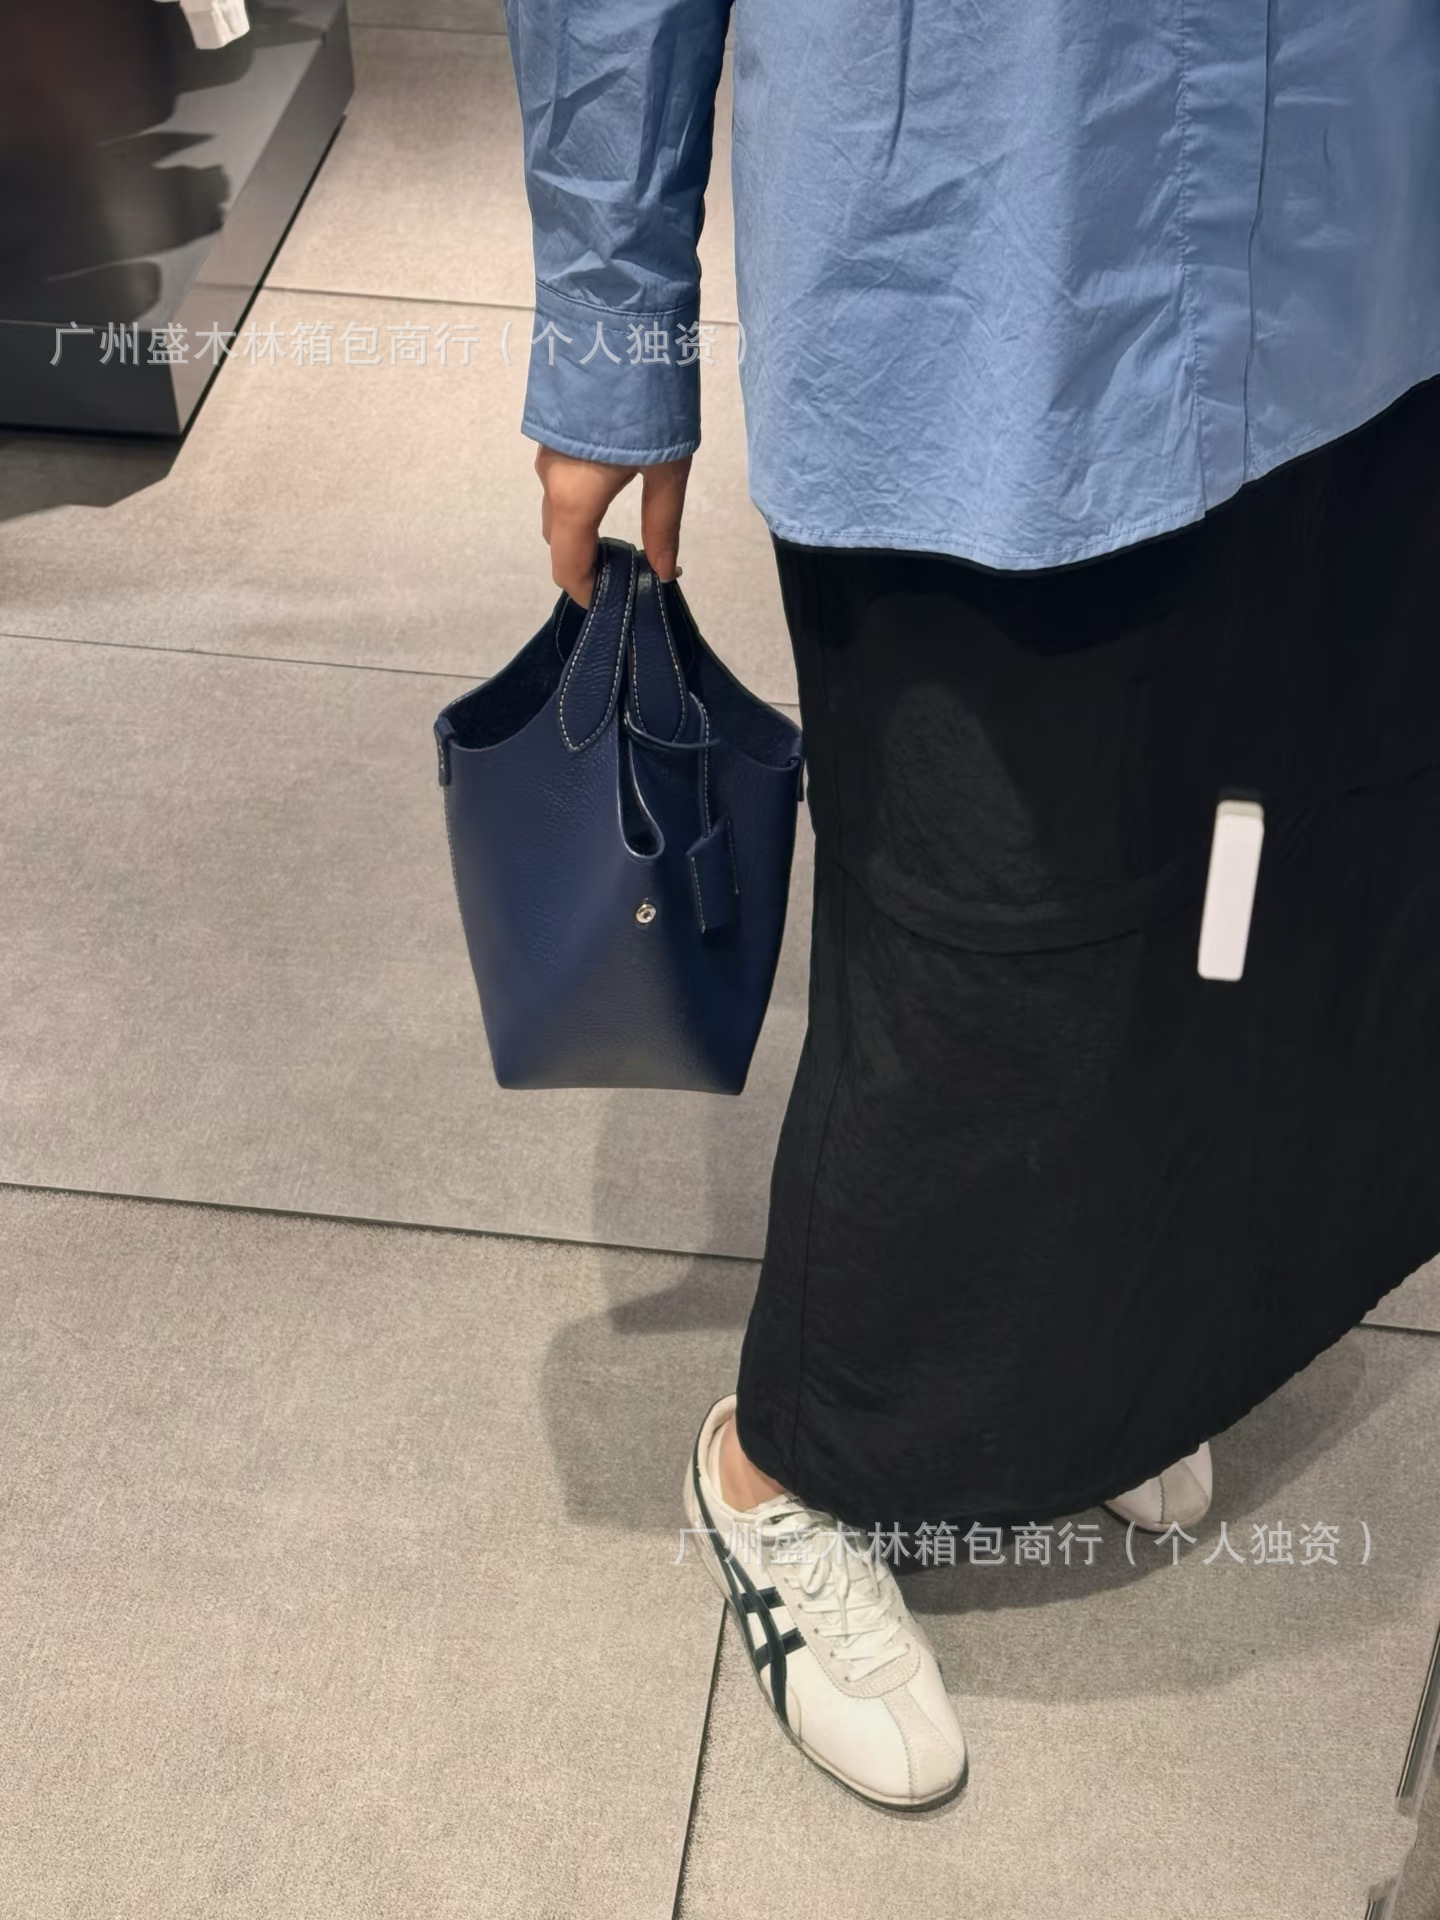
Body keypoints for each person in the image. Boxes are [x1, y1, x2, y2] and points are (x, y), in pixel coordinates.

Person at [501, 0, 1440, 1809]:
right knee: (982, 924)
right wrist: (613, 335)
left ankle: (1107, 1365)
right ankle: (782, 1471)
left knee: (1257, 865)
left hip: (1350, 213)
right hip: (978, 245)